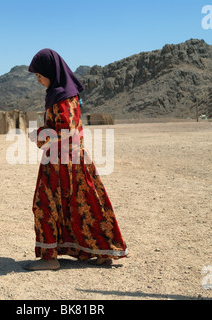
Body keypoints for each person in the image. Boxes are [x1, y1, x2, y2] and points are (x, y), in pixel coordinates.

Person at [24, 49, 127, 271]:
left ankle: (49, 257)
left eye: (39, 74)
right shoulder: (61, 94)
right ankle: (99, 251)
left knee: (45, 204)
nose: (38, 79)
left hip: (61, 162)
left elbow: (65, 129)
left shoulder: (62, 97)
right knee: (84, 204)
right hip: (70, 159)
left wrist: (40, 134)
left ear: (51, 71)